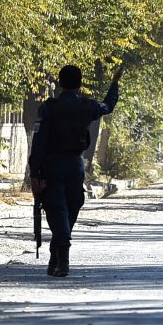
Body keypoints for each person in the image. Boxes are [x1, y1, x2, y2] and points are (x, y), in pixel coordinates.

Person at [29, 63, 122, 278]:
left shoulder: (49, 108)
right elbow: (108, 106)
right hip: (74, 165)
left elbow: (39, 142)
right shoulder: (86, 106)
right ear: (80, 84)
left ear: (60, 83)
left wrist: (34, 173)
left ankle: (60, 255)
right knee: (70, 208)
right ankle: (60, 255)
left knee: (57, 209)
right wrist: (114, 83)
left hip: (52, 165)